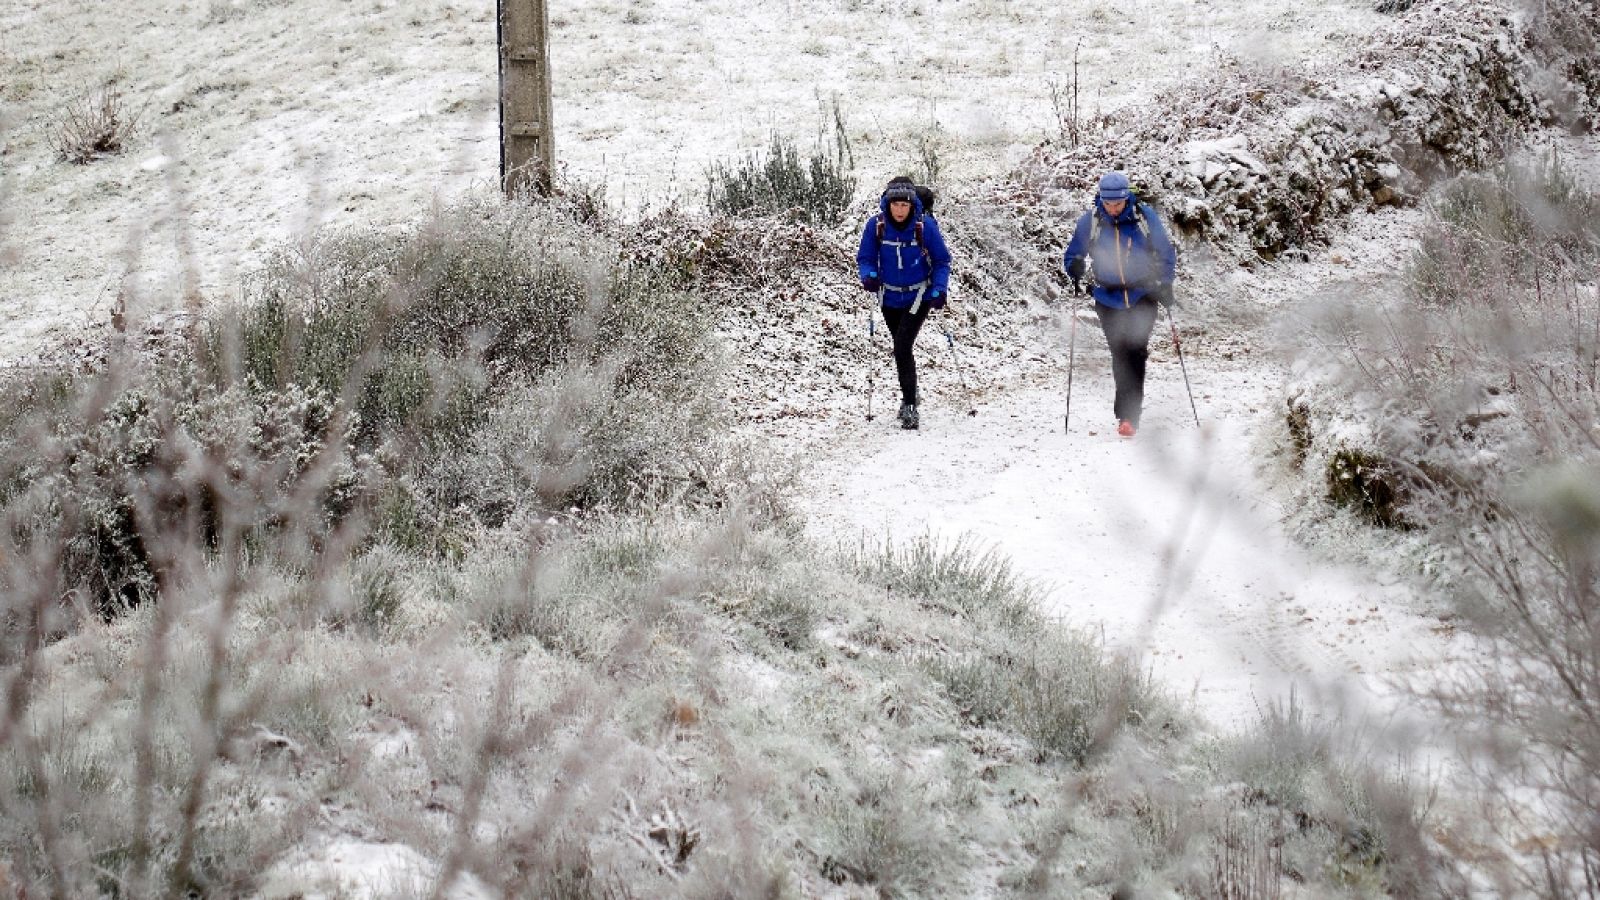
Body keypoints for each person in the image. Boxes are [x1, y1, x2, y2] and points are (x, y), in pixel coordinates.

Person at [1061, 171, 1178, 438]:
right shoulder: (1090, 222)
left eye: (1118, 204)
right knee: (1119, 352)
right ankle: (1124, 411)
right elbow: (1072, 255)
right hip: (1107, 297)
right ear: (1101, 199)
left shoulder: (1144, 218)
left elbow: (1165, 251)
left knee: (1136, 350)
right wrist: (1075, 267)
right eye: (1108, 204)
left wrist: (1165, 283)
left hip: (1142, 294)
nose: (1113, 209)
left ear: (1127, 198)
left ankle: (1129, 415)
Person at [856, 176, 953, 430]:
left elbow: (942, 261)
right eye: (895, 204)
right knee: (903, 350)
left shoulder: (925, 226)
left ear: (912, 205)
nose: (899, 210)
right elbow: (865, 258)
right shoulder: (875, 226)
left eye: (904, 205)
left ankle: (909, 405)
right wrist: (869, 276)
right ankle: (912, 391)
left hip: (918, 296)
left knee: (901, 347)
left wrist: (939, 289)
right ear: (887, 204)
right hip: (888, 297)